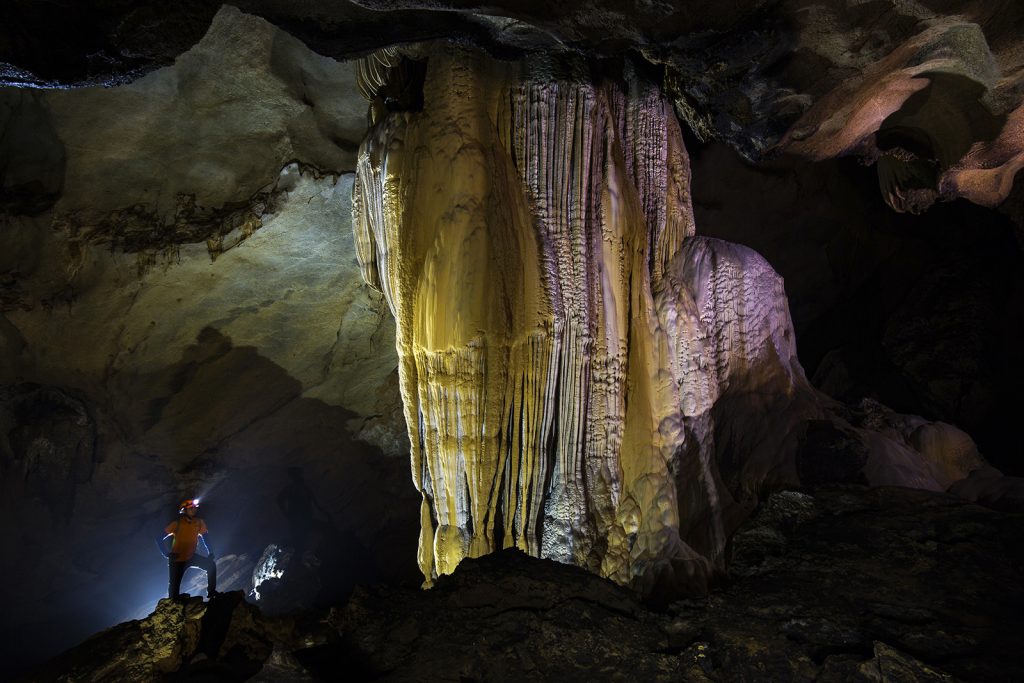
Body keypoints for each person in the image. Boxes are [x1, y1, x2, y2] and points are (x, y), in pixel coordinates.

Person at [158, 498, 217, 600]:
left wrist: (210, 552)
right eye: (191, 508)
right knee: (174, 589)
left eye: (195, 508)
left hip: (191, 556)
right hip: (177, 560)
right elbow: (159, 538)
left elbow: (205, 537)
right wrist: (167, 554)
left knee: (211, 565)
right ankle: (173, 601)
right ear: (184, 510)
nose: (194, 509)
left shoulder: (198, 522)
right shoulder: (177, 524)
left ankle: (211, 592)